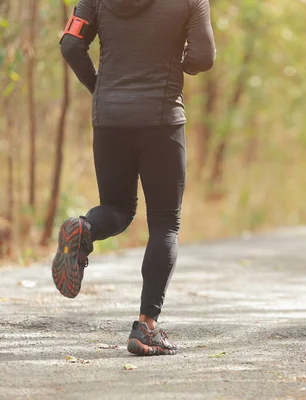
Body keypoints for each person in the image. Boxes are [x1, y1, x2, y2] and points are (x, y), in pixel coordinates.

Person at [53, 0, 216, 356]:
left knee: (116, 207)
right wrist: (180, 60)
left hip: (110, 118)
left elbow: (70, 44)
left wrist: (100, 88)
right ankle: (146, 328)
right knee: (164, 224)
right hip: (162, 120)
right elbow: (204, 57)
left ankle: (84, 228)